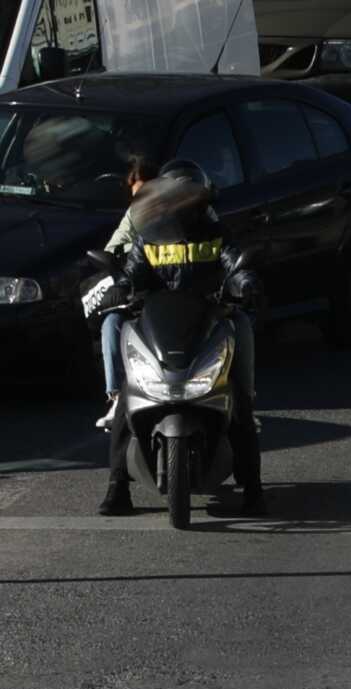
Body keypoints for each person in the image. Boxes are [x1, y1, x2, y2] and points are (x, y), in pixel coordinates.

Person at [97, 163, 262, 518]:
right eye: (175, 198)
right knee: (129, 400)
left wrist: (244, 283)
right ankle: (117, 488)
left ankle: (253, 489)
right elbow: (131, 274)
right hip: (159, 327)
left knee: (238, 401)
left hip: (208, 323)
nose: (181, 205)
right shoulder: (149, 235)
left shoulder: (216, 233)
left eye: (188, 199)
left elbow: (236, 264)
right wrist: (119, 289)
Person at [93, 153, 158, 432]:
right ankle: (118, 398)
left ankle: (241, 403)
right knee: (111, 324)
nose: (142, 202)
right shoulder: (135, 215)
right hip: (142, 293)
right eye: (136, 197)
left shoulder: (191, 213)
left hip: (183, 293)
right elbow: (112, 249)